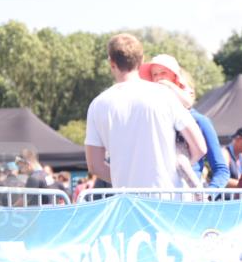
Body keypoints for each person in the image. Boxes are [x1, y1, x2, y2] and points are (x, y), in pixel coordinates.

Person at [85, 34, 206, 189]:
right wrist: (173, 172)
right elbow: (200, 147)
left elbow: (95, 166)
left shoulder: (97, 105)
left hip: (127, 201)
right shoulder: (165, 95)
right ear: (142, 61)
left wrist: (124, 182)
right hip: (167, 199)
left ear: (112, 63)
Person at [140, 55, 229, 189]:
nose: (159, 78)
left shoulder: (200, 121)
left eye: (164, 73)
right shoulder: (152, 118)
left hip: (189, 196)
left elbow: (221, 170)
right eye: (155, 75)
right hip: (157, 194)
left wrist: (208, 196)